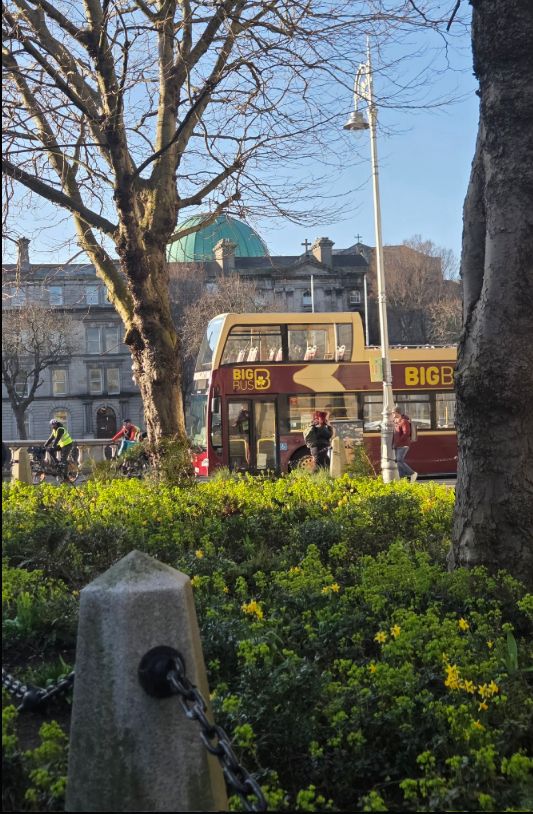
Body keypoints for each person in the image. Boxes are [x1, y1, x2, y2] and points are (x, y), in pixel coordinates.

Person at [392, 407, 417, 482]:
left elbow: (406, 433)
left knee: (399, 460)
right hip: (398, 445)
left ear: (397, 413)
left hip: (403, 445)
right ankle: (402, 480)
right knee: (398, 463)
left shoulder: (404, 421)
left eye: (393, 413)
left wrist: (398, 441)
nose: (392, 414)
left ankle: (412, 473)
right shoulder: (396, 421)